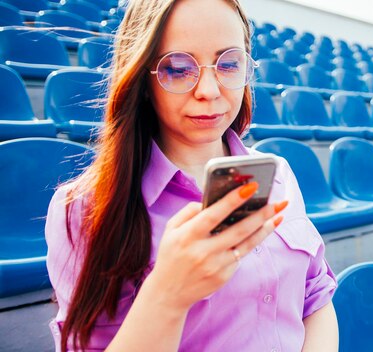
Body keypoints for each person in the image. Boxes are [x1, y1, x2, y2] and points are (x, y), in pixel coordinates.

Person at [44, 0, 339, 350]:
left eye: (229, 63)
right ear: (142, 77)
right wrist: (168, 293)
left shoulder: (277, 174)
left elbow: (315, 295)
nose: (209, 91)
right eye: (178, 69)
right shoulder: (84, 208)